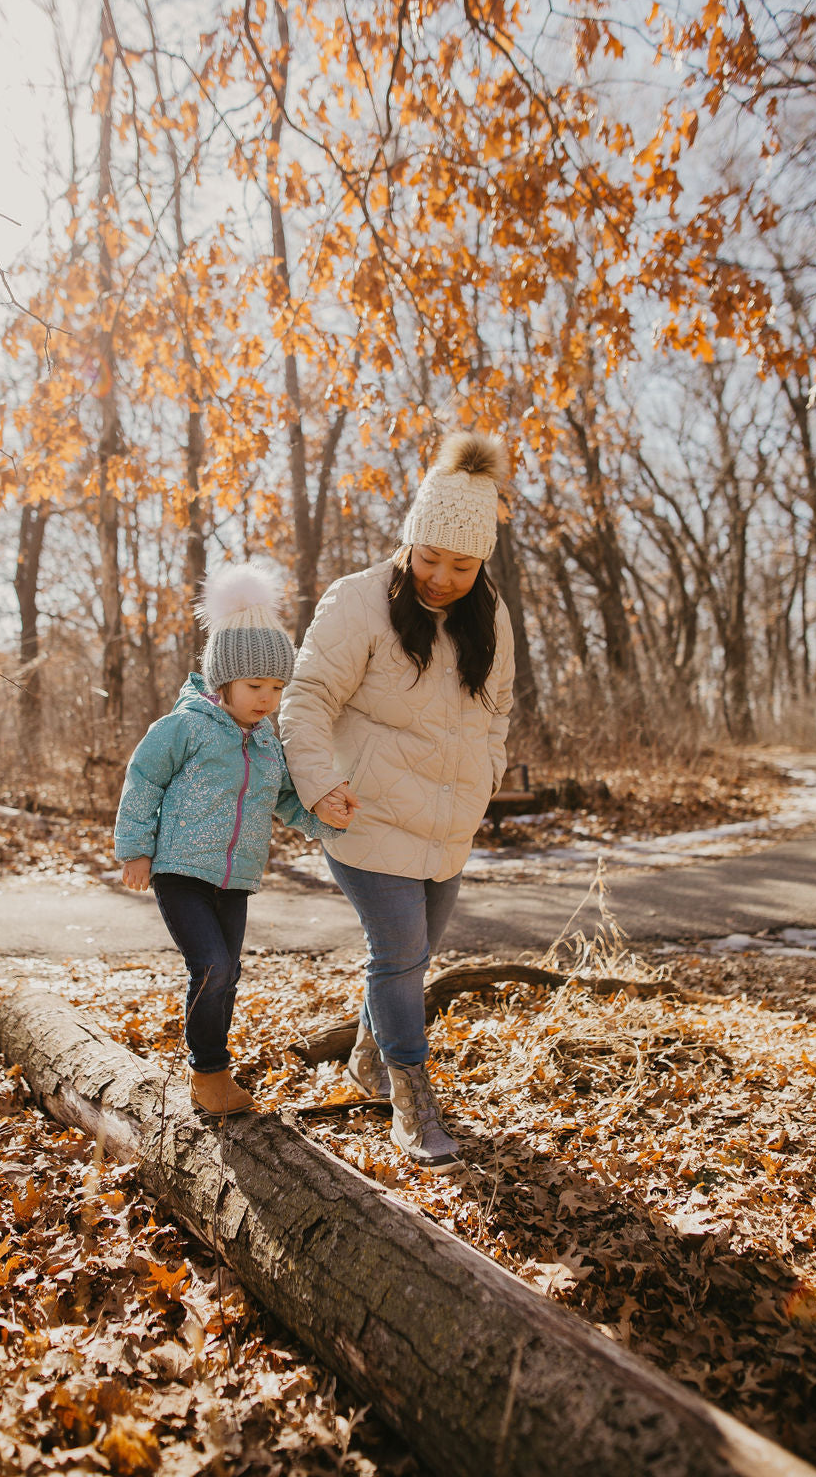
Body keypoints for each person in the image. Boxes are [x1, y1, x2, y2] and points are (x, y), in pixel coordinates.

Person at [279, 431, 514, 1172]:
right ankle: (411, 1105)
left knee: (412, 957)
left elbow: (497, 709)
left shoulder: (491, 617)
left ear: (482, 563)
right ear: (410, 540)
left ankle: (364, 1061)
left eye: (462, 565)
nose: (442, 577)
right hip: (365, 814)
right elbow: (306, 700)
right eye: (430, 558)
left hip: (447, 825)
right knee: (400, 952)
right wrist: (320, 783)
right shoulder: (357, 602)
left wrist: (489, 773)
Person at [115, 562, 352, 1118]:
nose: (267, 699)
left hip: (236, 878)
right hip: (180, 872)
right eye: (255, 687)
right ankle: (208, 1071)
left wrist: (327, 816)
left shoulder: (268, 742)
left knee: (230, 973)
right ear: (222, 682)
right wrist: (135, 849)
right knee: (212, 967)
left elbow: (287, 799)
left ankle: (214, 1067)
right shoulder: (186, 727)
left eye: (276, 687)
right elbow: (143, 777)